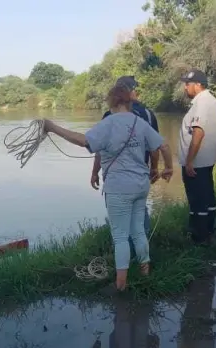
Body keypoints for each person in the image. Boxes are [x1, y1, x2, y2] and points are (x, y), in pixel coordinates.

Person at [43, 84, 173, 291]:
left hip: (119, 187)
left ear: (111, 101)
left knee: (120, 236)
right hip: (141, 186)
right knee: (138, 231)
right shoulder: (140, 122)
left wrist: (52, 127)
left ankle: (121, 284)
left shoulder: (109, 123)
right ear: (129, 101)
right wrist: (169, 168)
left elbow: (83, 141)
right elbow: (163, 146)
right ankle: (144, 272)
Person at [90, 75, 161, 236]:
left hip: (116, 178)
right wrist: (155, 168)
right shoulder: (148, 114)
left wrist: (95, 172)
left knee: (120, 222)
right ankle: (144, 249)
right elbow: (155, 147)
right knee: (140, 212)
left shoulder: (109, 116)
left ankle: (126, 252)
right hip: (140, 175)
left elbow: (100, 149)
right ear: (133, 92)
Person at [178, 69, 216, 245]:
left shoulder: (202, 103)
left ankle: (200, 236)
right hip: (205, 160)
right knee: (207, 197)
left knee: (198, 199)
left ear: (197, 85)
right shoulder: (207, 101)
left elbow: (198, 132)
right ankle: (209, 230)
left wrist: (189, 161)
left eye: (187, 84)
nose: (185, 88)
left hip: (197, 162)